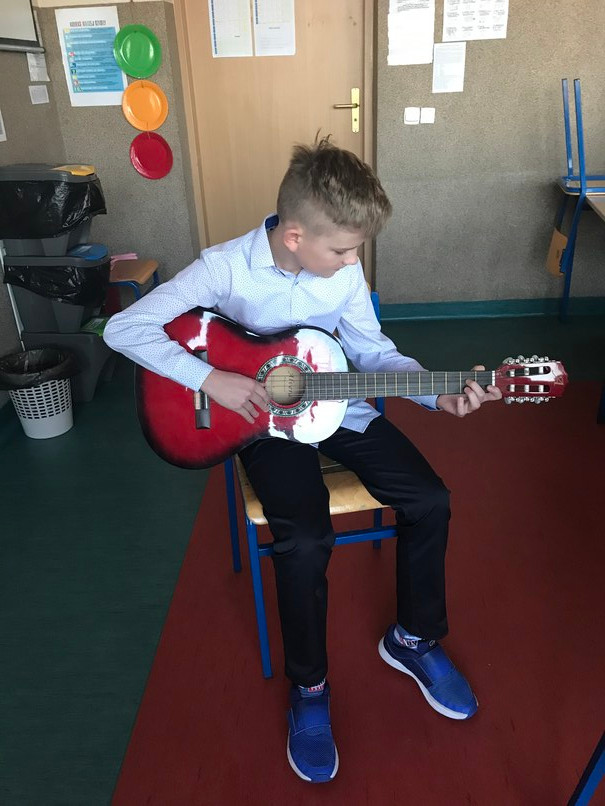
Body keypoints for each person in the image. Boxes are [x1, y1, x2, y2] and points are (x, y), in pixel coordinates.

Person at [103, 137, 502, 784]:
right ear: (294, 236)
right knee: (307, 537)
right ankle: (309, 688)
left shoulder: (342, 271)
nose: (352, 262)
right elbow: (124, 329)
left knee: (430, 498)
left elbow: (373, 353)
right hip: (260, 422)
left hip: (337, 404)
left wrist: (438, 392)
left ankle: (412, 639)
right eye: (342, 250)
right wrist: (209, 379)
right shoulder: (224, 268)